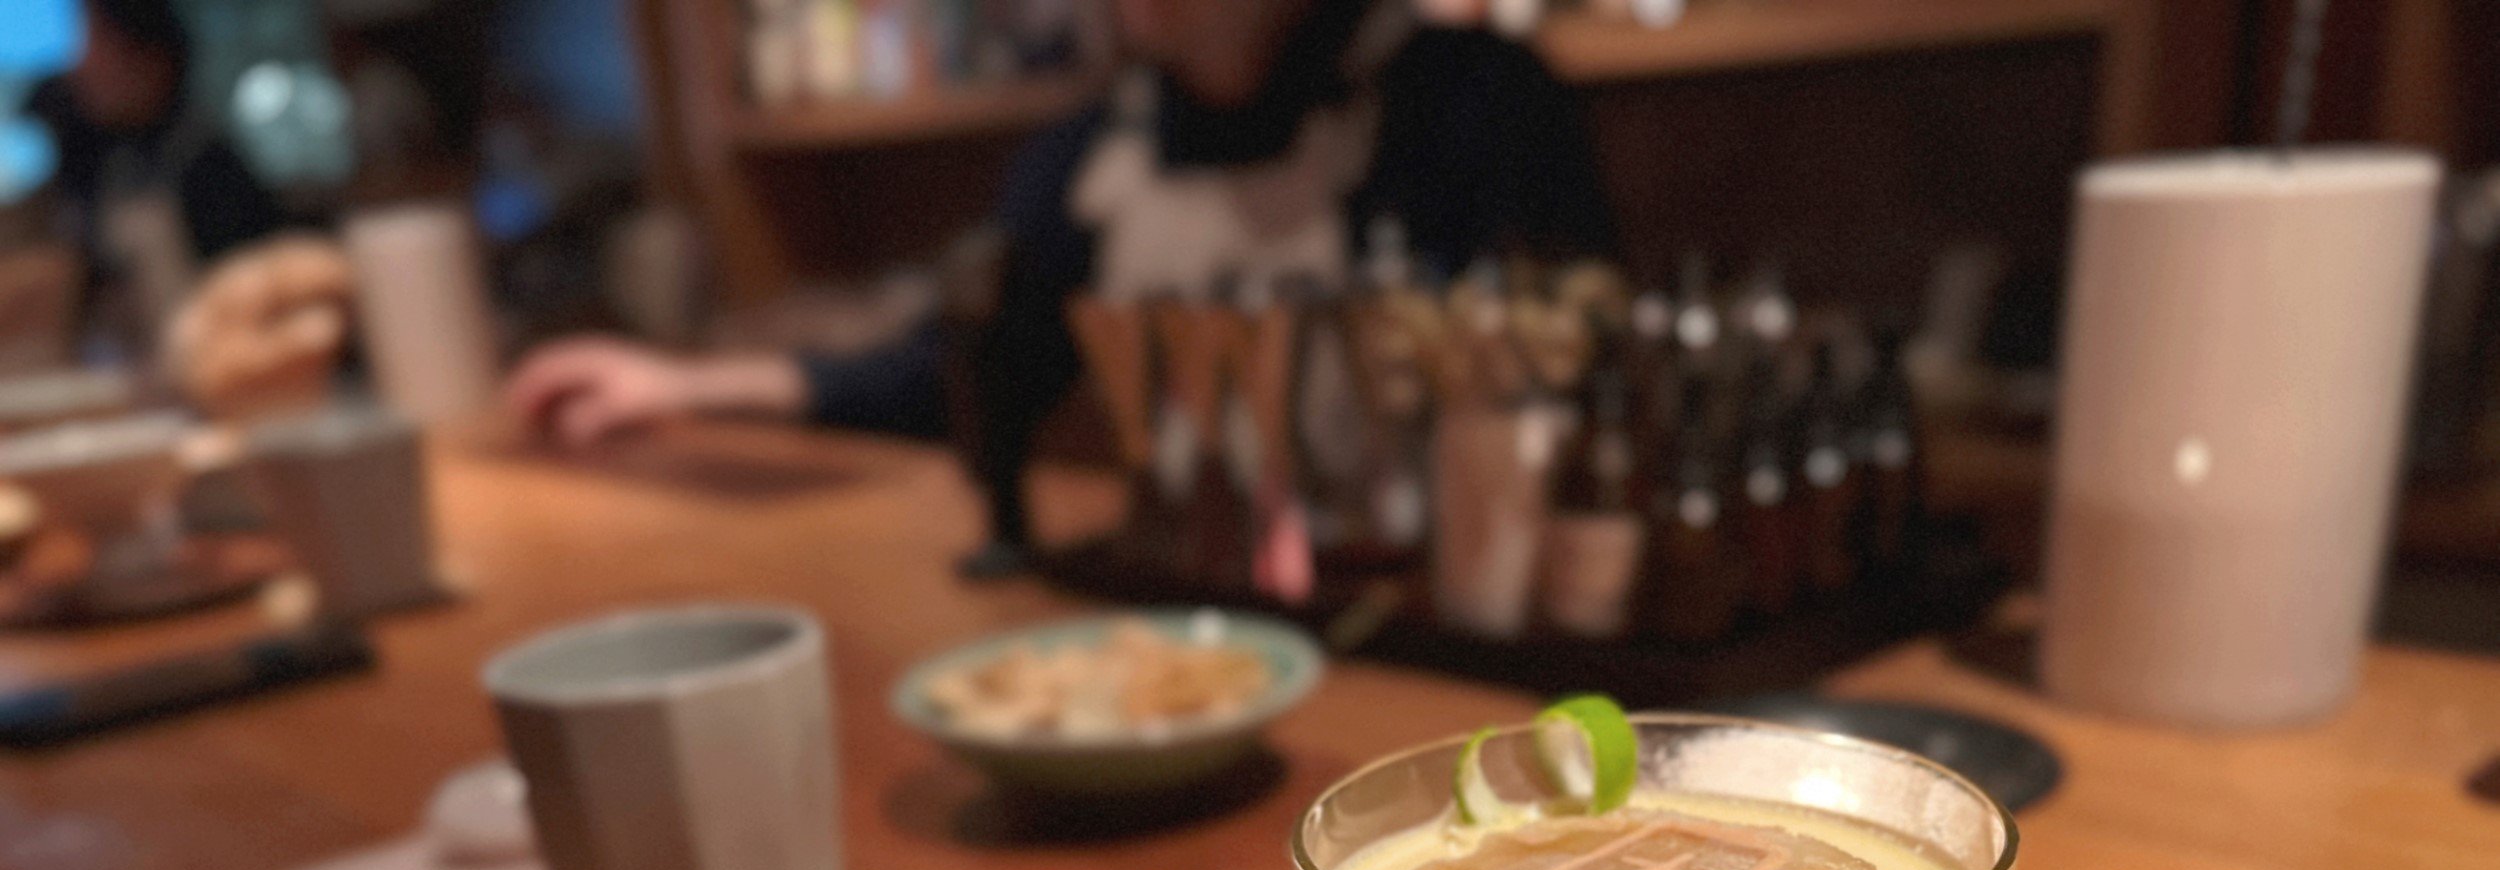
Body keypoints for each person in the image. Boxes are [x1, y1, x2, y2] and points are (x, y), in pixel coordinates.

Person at [506, 0, 1612, 536]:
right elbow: (967, 370)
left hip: (1432, 620)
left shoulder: (1476, 104)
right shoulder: (1092, 155)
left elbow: (1587, 385)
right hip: (1190, 607)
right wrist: (691, 384)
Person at [29, 0, 285, 269]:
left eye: (95, 39)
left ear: (151, 55)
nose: (79, 65)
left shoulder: (210, 166)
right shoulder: (93, 153)